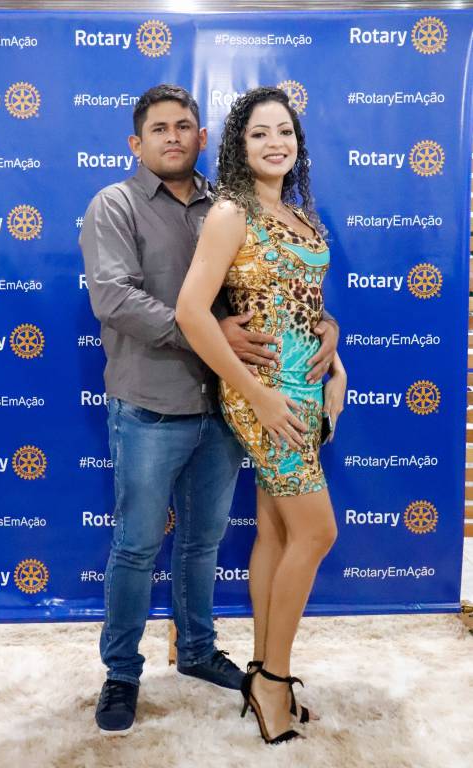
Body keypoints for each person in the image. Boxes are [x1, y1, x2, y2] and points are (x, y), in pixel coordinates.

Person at [80, 84, 340, 736]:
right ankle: (123, 672)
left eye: (184, 126)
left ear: (201, 138)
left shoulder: (222, 201)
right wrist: (215, 339)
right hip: (157, 400)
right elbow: (116, 299)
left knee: (206, 543)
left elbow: (272, 293)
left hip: (223, 405)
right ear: (136, 142)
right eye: (159, 128)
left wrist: (330, 340)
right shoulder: (118, 205)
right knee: (138, 545)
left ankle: (203, 653)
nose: (173, 137)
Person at [176, 86, 347, 745]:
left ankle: (260, 669)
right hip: (265, 398)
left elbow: (305, 303)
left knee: (277, 533)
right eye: (258, 133)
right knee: (317, 532)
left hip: (305, 392)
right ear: (239, 146)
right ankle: (274, 681)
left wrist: (336, 359)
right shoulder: (230, 212)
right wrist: (255, 392)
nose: (275, 143)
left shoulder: (301, 216)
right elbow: (192, 311)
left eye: (284, 132)